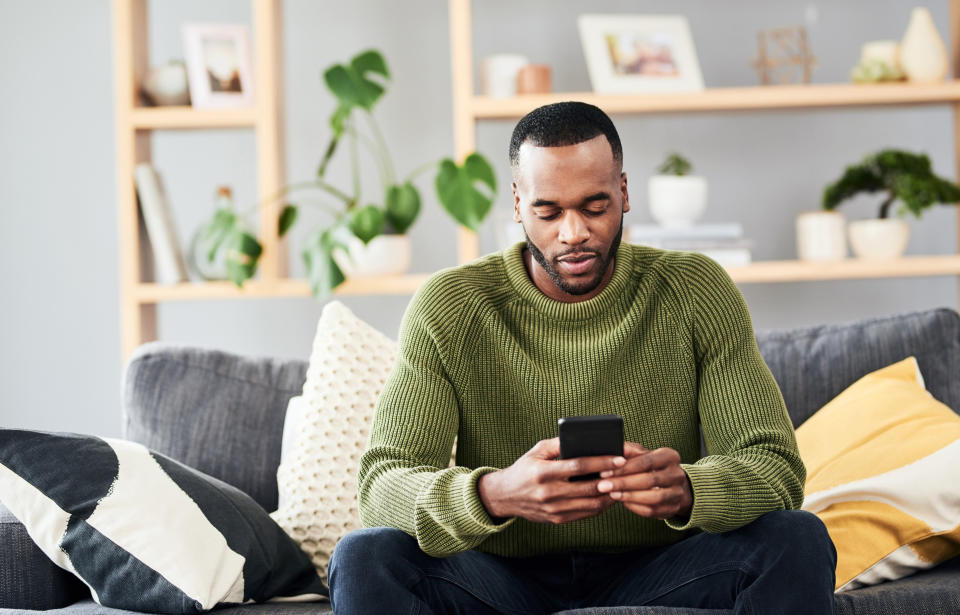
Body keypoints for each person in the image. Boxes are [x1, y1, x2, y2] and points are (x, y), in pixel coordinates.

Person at [328, 101, 837, 614]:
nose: (573, 233)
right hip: (497, 579)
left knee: (796, 538)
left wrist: (688, 489)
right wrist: (495, 494)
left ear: (624, 192)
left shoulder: (694, 290)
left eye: (594, 207)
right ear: (517, 204)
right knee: (365, 555)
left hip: (659, 568)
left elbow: (775, 469)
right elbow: (382, 484)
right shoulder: (451, 305)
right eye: (548, 212)